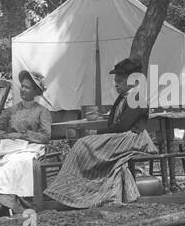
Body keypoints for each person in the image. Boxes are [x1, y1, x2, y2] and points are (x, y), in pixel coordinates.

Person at [43, 58, 158, 209]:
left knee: (85, 144)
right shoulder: (123, 97)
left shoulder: (137, 98)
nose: (116, 83)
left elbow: (123, 126)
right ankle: (75, 191)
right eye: (116, 80)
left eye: (121, 80)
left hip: (133, 138)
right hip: (121, 136)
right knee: (84, 144)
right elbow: (114, 124)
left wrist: (97, 132)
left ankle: (76, 191)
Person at [0, 70, 52, 217]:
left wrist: (23, 135)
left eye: (27, 87)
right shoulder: (10, 111)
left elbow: (45, 136)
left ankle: (6, 202)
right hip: (8, 146)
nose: (23, 89)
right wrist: (9, 136)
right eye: (22, 86)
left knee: (15, 163)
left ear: (35, 91)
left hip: (30, 147)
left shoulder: (42, 111)